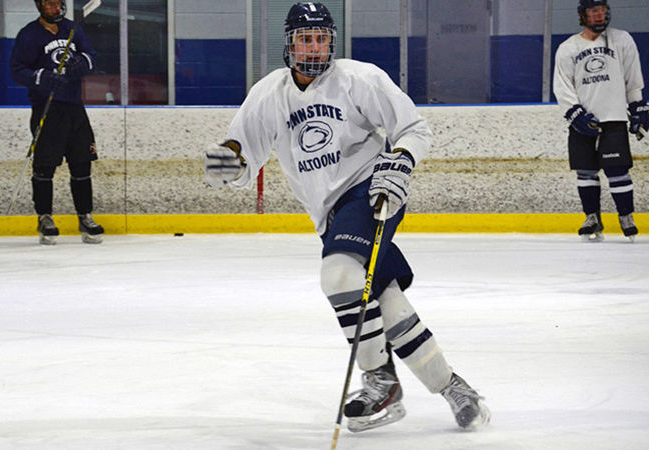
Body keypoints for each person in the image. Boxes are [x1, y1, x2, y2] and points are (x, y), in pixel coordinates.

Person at [204, 2, 490, 432]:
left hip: (372, 192)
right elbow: (244, 149)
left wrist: (401, 162)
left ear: (331, 41)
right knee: (385, 303)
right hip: (331, 216)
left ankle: (379, 381)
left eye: (321, 37)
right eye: (305, 38)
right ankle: (454, 388)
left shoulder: (359, 79)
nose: (314, 46)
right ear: (290, 43)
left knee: (338, 275)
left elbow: (414, 128)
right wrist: (229, 163)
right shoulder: (269, 94)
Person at [11, 0, 104, 245]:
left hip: (74, 108)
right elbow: (17, 70)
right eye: (50, 3)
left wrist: (80, 64)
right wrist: (42, 78)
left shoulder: (73, 29)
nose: (55, 8)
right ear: (39, 6)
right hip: (47, 108)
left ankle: (84, 216)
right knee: (44, 166)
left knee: (82, 164)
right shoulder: (29, 35)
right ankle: (45, 217)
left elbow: (92, 57)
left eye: (58, 3)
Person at [553, 0, 647, 242]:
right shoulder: (568, 47)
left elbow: (632, 77)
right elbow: (562, 86)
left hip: (613, 118)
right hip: (582, 121)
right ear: (583, 15)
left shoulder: (622, 39)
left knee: (618, 170)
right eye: (593, 11)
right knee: (585, 172)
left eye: (602, 10)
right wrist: (574, 113)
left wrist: (637, 105)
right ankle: (592, 217)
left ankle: (626, 216)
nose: (599, 15)